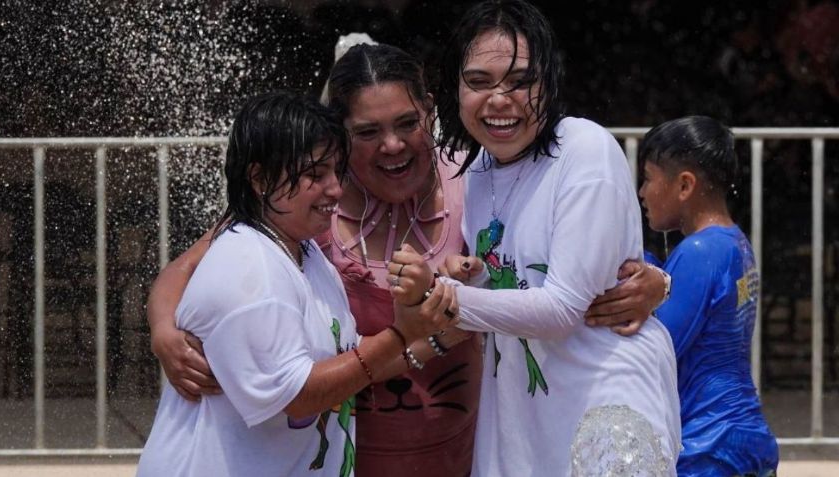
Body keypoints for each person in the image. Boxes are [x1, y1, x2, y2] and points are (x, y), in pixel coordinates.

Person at [146, 41, 667, 476]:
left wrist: (658, 282)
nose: (392, 145)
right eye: (367, 133)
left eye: (406, 123)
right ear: (341, 136)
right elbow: (186, 268)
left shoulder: (476, 181)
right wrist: (165, 330)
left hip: (460, 447)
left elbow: (558, 265)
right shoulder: (309, 202)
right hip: (348, 456)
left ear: (431, 113)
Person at [416, 0, 682, 475]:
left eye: (520, 81)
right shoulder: (473, 171)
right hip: (522, 418)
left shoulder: (584, 149)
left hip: (604, 411)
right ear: (455, 89)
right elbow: (511, 286)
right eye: (478, 81)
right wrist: (469, 279)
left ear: (551, 81)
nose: (499, 99)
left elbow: (561, 309)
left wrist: (444, 296)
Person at [137, 91, 456, 477]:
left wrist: (437, 336)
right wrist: (401, 334)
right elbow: (298, 396)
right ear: (259, 179)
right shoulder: (251, 272)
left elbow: (344, 359)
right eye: (314, 175)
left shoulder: (301, 250)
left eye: (336, 172)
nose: (335, 189)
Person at [638, 116, 779, 476]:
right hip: (739, 436)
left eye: (649, 178)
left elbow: (657, 352)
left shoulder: (700, 252)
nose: (641, 192)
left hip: (709, 448)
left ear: (684, 185)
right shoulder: (733, 242)